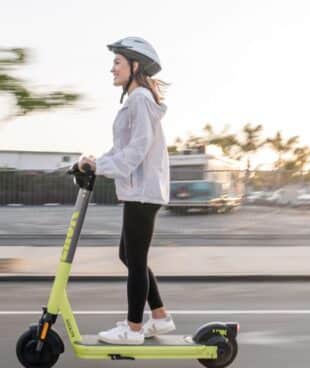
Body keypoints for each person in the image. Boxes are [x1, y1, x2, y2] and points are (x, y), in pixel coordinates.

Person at [78, 36, 174, 345]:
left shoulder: (140, 99)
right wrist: (97, 161)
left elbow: (138, 149)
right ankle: (159, 317)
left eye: (117, 62)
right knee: (129, 255)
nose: (112, 69)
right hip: (140, 190)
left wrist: (102, 168)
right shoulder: (136, 100)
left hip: (143, 190)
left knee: (134, 259)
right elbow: (123, 147)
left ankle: (133, 329)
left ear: (135, 66)